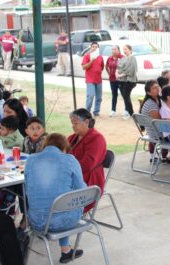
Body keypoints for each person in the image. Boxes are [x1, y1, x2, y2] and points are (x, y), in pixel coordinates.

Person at [25, 133, 86, 263]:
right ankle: (66, 250)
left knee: (58, 201)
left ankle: (66, 251)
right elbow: (81, 189)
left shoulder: (30, 160)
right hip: (63, 221)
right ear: (64, 147)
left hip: (35, 221)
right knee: (68, 201)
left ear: (45, 145)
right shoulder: (69, 160)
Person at [68, 109, 107, 212]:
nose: (73, 126)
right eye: (72, 123)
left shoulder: (97, 138)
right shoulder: (73, 138)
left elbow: (87, 165)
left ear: (86, 122)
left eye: (75, 123)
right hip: (74, 175)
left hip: (89, 181)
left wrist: (66, 168)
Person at [140, 80, 167, 162]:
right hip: (155, 132)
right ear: (149, 92)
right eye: (154, 88)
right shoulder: (151, 104)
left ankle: (162, 156)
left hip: (152, 130)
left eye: (158, 86)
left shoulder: (157, 99)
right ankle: (165, 157)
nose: (157, 89)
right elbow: (159, 121)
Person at [81, 42, 104, 117]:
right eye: (93, 46)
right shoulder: (87, 56)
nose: (94, 48)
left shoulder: (100, 57)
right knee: (90, 96)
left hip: (99, 80)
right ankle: (87, 112)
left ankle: (96, 111)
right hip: (90, 80)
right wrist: (91, 61)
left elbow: (102, 67)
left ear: (98, 48)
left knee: (99, 97)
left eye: (96, 47)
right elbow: (84, 67)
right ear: (91, 48)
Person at [117, 44, 138, 119]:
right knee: (125, 96)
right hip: (122, 81)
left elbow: (131, 70)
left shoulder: (132, 58)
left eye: (126, 49)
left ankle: (131, 113)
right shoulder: (123, 58)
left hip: (130, 80)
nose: (124, 50)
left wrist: (121, 75)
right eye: (124, 49)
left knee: (126, 96)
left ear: (130, 50)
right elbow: (119, 67)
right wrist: (117, 73)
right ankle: (129, 112)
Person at [106, 45, 124, 117]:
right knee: (114, 95)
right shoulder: (109, 58)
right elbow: (106, 66)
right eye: (112, 49)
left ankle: (127, 110)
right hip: (112, 80)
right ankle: (113, 110)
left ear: (119, 50)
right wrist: (109, 73)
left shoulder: (122, 58)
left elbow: (126, 68)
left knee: (124, 95)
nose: (113, 51)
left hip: (121, 80)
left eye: (115, 49)